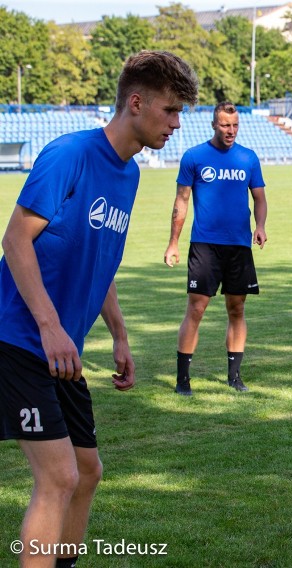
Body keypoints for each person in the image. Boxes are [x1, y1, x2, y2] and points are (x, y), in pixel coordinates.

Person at [0, 51, 198, 568]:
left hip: (61, 347)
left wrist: (120, 334)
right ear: (136, 102)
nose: (177, 124)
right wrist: (49, 326)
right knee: (59, 476)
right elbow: (16, 242)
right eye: (171, 111)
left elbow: (99, 260)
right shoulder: (70, 154)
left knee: (87, 472)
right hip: (18, 337)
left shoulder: (128, 175)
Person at [164, 101, 268, 396]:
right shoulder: (194, 157)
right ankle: (183, 380)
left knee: (237, 309)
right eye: (225, 125)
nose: (231, 131)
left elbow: (259, 198)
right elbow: (181, 201)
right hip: (205, 246)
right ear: (213, 124)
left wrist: (260, 226)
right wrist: (173, 242)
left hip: (238, 246)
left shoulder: (248, 158)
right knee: (196, 309)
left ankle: (234, 377)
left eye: (235, 125)